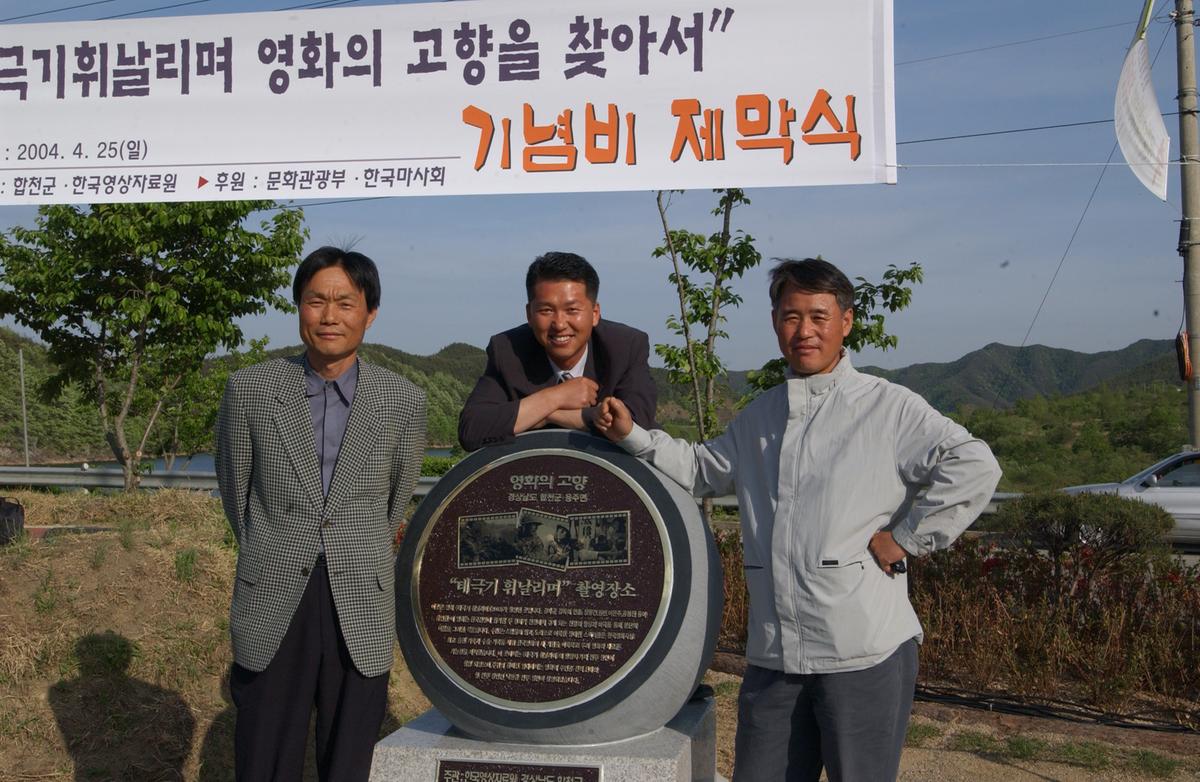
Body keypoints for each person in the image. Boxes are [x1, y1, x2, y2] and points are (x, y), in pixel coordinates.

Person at [595, 258, 1001, 782]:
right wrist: (634, 435)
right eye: (791, 316)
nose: (804, 331)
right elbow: (702, 470)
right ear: (774, 321)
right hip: (775, 652)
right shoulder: (763, 413)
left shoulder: (889, 407)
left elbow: (974, 464)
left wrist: (905, 538)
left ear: (846, 322)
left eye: (818, 316)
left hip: (862, 649)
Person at [215, 247, 427, 781]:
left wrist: (354, 541)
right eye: (316, 301)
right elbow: (236, 494)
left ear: (369, 313)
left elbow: (394, 499)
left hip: (360, 593)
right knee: (264, 756)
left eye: (345, 303)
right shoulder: (251, 390)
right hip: (274, 588)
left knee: (349, 760)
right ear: (298, 307)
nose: (329, 316)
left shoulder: (402, 400)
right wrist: (276, 542)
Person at [457, 251, 657, 451]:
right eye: (546, 310)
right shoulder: (508, 350)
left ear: (595, 314)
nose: (559, 324)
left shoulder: (626, 346)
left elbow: (636, 426)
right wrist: (555, 397)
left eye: (572, 310)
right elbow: (472, 430)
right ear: (529, 314)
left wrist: (547, 414)